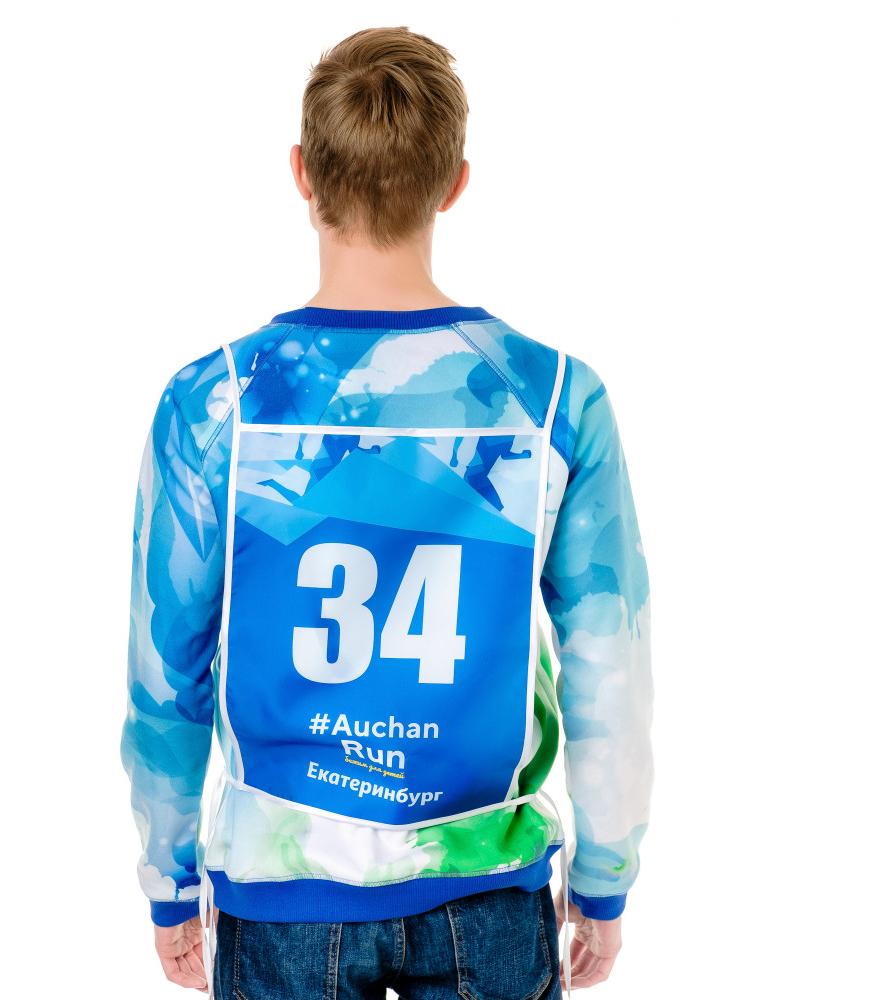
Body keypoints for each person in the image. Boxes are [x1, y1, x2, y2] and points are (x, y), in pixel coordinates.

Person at [121, 25, 652, 999]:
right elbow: (605, 663)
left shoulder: (215, 401)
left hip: (283, 894)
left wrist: (170, 878)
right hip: (487, 886)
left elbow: (166, 672)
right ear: (454, 183)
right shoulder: (555, 398)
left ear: (301, 173)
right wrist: (605, 877)